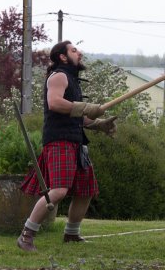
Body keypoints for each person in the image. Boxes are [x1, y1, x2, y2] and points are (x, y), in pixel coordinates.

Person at [17, 40, 117, 252]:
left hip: (76, 142)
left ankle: (71, 234)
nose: (79, 53)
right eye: (74, 50)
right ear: (62, 57)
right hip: (59, 141)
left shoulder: (72, 79)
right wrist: (86, 107)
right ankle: (26, 235)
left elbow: (77, 116)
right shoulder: (59, 76)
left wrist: (99, 124)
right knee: (58, 191)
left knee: (85, 190)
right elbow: (54, 103)